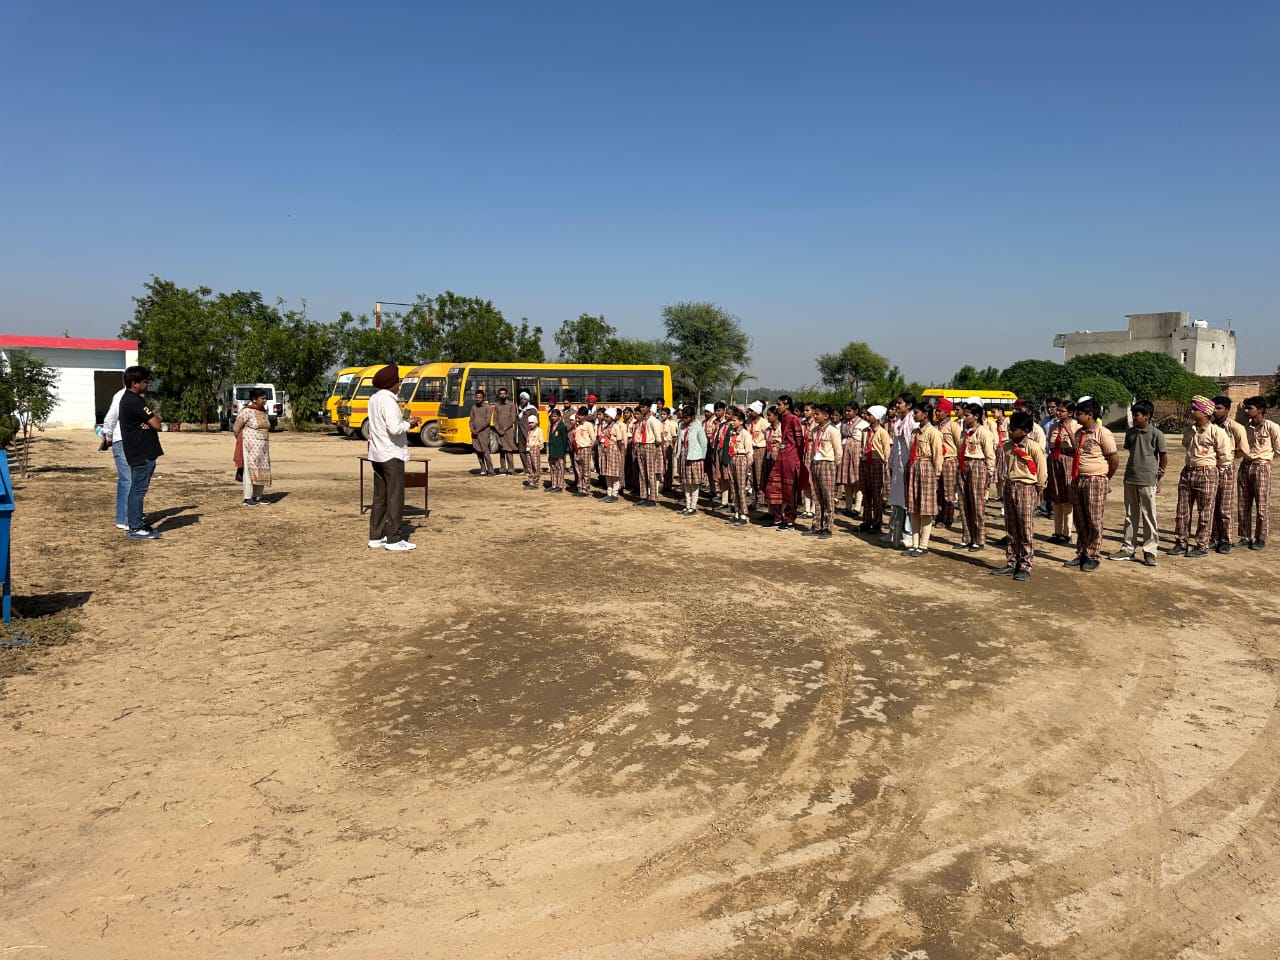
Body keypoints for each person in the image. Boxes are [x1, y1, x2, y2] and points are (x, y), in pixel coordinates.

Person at [366, 364, 422, 551]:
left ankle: (376, 536)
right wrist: (410, 424)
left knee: (379, 497)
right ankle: (394, 539)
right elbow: (395, 428)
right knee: (395, 497)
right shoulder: (389, 401)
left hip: (377, 454)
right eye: (398, 382)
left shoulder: (373, 399)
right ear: (391, 384)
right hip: (391, 454)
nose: (399, 385)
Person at [1108, 400, 1167, 566]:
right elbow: (1132, 451)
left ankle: (1150, 551)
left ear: (1147, 416)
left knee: (1149, 516)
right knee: (1130, 515)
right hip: (1130, 477)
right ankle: (1128, 549)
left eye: (1137, 415)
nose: (1134, 418)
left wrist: (1158, 478)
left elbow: (1163, 457)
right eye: (1133, 415)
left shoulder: (1157, 434)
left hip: (1147, 479)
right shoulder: (1131, 433)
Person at [1170, 395, 1230, 558]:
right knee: (1182, 510)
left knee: (1205, 512)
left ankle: (1202, 545)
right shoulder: (1190, 431)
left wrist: (1216, 473)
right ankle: (1181, 542)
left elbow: (1225, 457)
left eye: (1195, 409)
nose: (1192, 411)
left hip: (1207, 473)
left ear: (1205, 413)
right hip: (1188, 472)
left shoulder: (1217, 432)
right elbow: (1185, 445)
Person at [991, 411, 1047, 581]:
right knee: (1011, 527)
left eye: (1014, 429)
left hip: (1027, 487)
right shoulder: (1006, 447)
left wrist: (1039, 490)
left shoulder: (1033, 447)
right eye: (1010, 428)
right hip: (1010, 486)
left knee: (1025, 528)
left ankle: (1025, 565)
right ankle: (1011, 562)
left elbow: (1042, 471)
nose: (1010, 432)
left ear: (1025, 431)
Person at [1065, 397, 1119, 571]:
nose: (1076, 417)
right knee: (1080, 519)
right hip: (1079, 479)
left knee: (1094, 520)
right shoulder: (1079, 433)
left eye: (1079, 414)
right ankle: (1082, 552)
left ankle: (1093, 555)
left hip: (1095, 479)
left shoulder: (1103, 433)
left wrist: (1105, 478)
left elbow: (1114, 460)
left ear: (1089, 415)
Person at [118, 366, 163, 541]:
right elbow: (157, 424)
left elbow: (153, 422)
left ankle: (137, 523)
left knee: (137, 489)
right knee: (138, 489)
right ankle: (135, 527)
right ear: (134, 383)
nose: (147, 385)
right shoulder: (134, 401)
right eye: (144, 382)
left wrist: (149, 421)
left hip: (141, 452)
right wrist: (151, 421)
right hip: (141, 453)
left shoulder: (130, 400)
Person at [1238, 396, 1280, 550]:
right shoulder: (1245, 427)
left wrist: (1265, 459)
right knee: (1243, 504)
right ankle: (1245, 536)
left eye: (1250, 408)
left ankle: (1261, 538)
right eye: (1246, 407)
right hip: (1245, 466)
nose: (1246, 411)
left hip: (1261, 467)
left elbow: (1278, 449)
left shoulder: (1271, 427)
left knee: (1261, 504)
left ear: (1260, 410)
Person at [903, 401, 944, 557]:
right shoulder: (915, 432)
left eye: (916, 412)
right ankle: (914, 544)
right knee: (913, 508)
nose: (913, 415)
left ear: (925, 414)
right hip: (914, 468)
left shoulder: (933, 433)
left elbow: (938, 456)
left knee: (925, 509)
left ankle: (923, 545)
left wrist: (936, 475)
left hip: (926, 469)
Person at [1210, 396, 1249, 553]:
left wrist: (1230, 458)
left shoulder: (1236, 427)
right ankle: (1214, 538)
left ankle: (1226, 540)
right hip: (1211, 468)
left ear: (1227, 410)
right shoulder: (1210, 426)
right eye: (1213, 408)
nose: (1215, 411)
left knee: (1224, 506)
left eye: (1219, 408)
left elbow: (1244, 449)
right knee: (1211, 504)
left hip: (1226, 468)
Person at [955, 403, 994, 552]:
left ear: (976, 416)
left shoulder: (983, 433)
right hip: (963, 464)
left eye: (967, 415)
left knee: (977, 504)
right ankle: (967, 537)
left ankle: (979, 539)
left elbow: (989, 454)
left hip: (977, 465)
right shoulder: (964, 432)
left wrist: (989, 473)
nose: (964, 418)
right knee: (963, 502)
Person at [766, 394, 805, 530]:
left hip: (791, 458)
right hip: (782, 457)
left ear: (787, 405)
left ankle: (789, 521)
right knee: (772, 487)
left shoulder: (794, 419)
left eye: (779, 404)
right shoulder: (784, 419)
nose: (777, 407)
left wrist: (797, 461)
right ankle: (777, 518)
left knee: (789, 490)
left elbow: (800, 441)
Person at [98, 375, 131, 530]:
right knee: (127, 480)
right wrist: (108, 436)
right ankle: (124, 519)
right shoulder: (121, 396)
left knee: (128, 480)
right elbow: (111, 418)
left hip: (132, 442)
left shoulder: (136, 397)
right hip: (121, 441)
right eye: (144, 381)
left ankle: (126, 516)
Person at [805, 403, 841, 539]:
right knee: (816, 495)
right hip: (816, 462)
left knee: (827, 496)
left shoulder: (832, 431)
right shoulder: (815, 430)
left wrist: (833, 465)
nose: (815, 416)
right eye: (814, 414)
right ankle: (816, 525)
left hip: (827, 463)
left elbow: (838, 451)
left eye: (817, 414)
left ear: (826, 416)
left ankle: (827, 527)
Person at [887, 393, 918, 548]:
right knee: (897, 499)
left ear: (909, 405)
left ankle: (910, 534)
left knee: (908, 500)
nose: (897, 406)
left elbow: (914, 444)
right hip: (898, 464)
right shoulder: (899, 420)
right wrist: (891, 463)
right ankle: (895, 531)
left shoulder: (913, 421)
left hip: (908, 462)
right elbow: (895, 444)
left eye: (900, 403)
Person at [233, 387, 272, 505]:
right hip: (249, 446)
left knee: (262, 470)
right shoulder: (247, 411)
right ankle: (247, 498)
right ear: (254, 399)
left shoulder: (263, 412)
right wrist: (242, 440)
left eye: (265, 398)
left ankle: (258, 497)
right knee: (250, 471)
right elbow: (236, 427)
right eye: (262, 398)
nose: (265, 400)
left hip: (263, 447)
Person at [1044, 401, 1077, 544]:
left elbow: (1077, 447)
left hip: (1068, 461)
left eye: (1062, 411)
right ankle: (1057, 532)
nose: (1058, 413)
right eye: (1058, 410)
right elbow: (1050, 444)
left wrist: (1069, 431)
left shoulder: (1076, 426)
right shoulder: (1053, 426)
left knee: (1067, 499)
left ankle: (1067, 533)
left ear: (1070, 413)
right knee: (1056, 498)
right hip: (1054, 461)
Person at [858, 405, 891, 534]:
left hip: (877, 462)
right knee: (866, 492)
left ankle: (877, 521)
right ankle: (867, 520)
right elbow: (863, 445)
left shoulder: (882, 432)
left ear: (877, 417)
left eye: (869, 415)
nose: (866, 416)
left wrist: (885, 463)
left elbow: (886, 450)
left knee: (876, 493)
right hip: (865, 461)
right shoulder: (865, 431)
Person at [934, 398, 963, 529]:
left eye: (939, 411)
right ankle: (938, 515)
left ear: (947, 412)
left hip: (949, 461)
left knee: (948, 491)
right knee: (937, 490)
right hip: (937, 460)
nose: (937, 413)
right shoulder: (935, 426)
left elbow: (959, 444)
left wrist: (959, 461)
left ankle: (947, 518)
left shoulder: (953, 426)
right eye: (936, 410)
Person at [722, 406, 753, 526]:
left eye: (734, 420)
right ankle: (736, 513)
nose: (732, 422)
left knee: (740, 488)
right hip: (732, 458)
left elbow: (749, 451)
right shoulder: (732, 433)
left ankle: (744, 515)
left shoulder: (745, 434)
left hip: (741, 459)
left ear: (741, 421)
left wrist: (747, 466)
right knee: (733, 487)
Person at [676, 404, 708, 515]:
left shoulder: (698, 427)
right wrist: (679, 454)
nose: (685, 419)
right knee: (686, 482)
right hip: (684, 455)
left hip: (694, 458)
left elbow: (703, 443)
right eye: (683, 417)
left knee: (694, 483)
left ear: (692, 416)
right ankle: (687, 505)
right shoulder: (682, 427)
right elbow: (679, 442)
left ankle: (693, 507)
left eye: (687, 417)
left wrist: (702, 457)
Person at [632, 399, 662, 506]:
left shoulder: (653, 420)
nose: (642, 409)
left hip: (649, 445)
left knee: (650, 473)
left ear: (649, 408)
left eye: (644, 407)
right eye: (641, 407)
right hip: (641, 445)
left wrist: (655, 445)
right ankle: (643, 496)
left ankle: (653, 498)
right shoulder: (642, 420)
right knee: (642, 473)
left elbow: (658, 437)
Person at [597, 407, 627, 503]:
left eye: (607, 417)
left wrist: (619, 451)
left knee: (614, 474)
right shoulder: (606, 426)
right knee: (608, 473)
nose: (605, 418)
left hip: (613, 450)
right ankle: (608, 493)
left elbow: (619, 440)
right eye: (605, 416)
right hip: (606, 450)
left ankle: (614, 494)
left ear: (612, 417)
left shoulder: (616, 427)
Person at [490, 387, 518, 476]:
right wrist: (498, 429)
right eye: (501, 394)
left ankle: (511, 469)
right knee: (502, 450)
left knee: (509, 450)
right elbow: (495, 419)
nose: (502, 395)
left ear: (507, 395)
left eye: (504, 394)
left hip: (508, 431)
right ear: (499, 395)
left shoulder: (511, 405)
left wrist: (505, 429)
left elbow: (513, 419)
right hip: (499, 432)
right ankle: (502, 469)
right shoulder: (497, 405)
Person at [571, 407, 596, 496]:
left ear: (586, 416)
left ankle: (585, 489)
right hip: (577, 449)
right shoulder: (576, 425)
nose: (580, 417)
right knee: (578, 470)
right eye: (579, 415)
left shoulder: (588, 425)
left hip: (585, 448)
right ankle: (579, 488)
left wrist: (589, 448)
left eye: (582, 415)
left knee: (585, 470)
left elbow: (593, 438)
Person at [748, 400, 768, 510]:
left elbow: (768, 435)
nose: (750, 413)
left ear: (757, 411)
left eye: (752, 411)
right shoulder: (750, 423)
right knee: (752, 476)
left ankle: (762, 500)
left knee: (759, 476)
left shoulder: (763, 422)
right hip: (751, 449)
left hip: (760, 449)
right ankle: (754, 499)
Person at [469, 390, 494, 476]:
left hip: (484, 433)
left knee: (485, 451)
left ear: (483, 398)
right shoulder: (473, 407)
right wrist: (472, 429)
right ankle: (483, 469)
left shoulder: (488, 407)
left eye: (480, 397)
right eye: (476, 397)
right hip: (474, 433)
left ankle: (490, 470)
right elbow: (471, 420)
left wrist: (478, 429)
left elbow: (487, 421)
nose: (478, 399)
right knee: (478, 451)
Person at [546, 407, 569, 493]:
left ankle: (559, 486)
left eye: (555, 416)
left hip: (559, 452)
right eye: (552, 416)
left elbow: (564, 440)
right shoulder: (551, 426)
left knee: (560, 469)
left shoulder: (562, 426)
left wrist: (563, 452)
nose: (553, 418)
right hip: (552, 451)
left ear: (559, 417)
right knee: (553, 469)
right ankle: (554, 484)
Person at [522, 411, 544, 489]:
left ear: (536, 422)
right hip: (529, 450)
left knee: (535, 466)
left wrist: (538, 447)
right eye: (529, 423)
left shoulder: (539, 430)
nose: (530, 424)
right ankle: (531, 482)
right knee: (529, 466)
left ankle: (535, 483)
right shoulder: (529, 432)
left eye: (532, 423)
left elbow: (541, 441)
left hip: (535, 449)